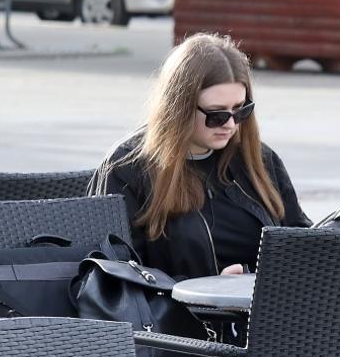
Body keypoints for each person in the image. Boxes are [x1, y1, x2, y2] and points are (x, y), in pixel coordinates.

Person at [92, 32, 310, 281]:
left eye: (240, 110)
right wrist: (207, 287)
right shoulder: (128, 167)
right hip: (172, 314)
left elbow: (300, 239)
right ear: (180, 108)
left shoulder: (258, 157)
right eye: (216, 114)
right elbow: (113, 270)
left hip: (262, 311)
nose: (230, 125)